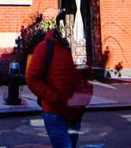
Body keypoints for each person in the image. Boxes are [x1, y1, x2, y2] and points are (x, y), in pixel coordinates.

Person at [26, 9, 91, 148]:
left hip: (75, 112)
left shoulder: (78, 48)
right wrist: (54, 97)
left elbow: (86, 76)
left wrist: (85, 96)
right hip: (55, 113)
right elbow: (32, 79)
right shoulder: (44, 48)